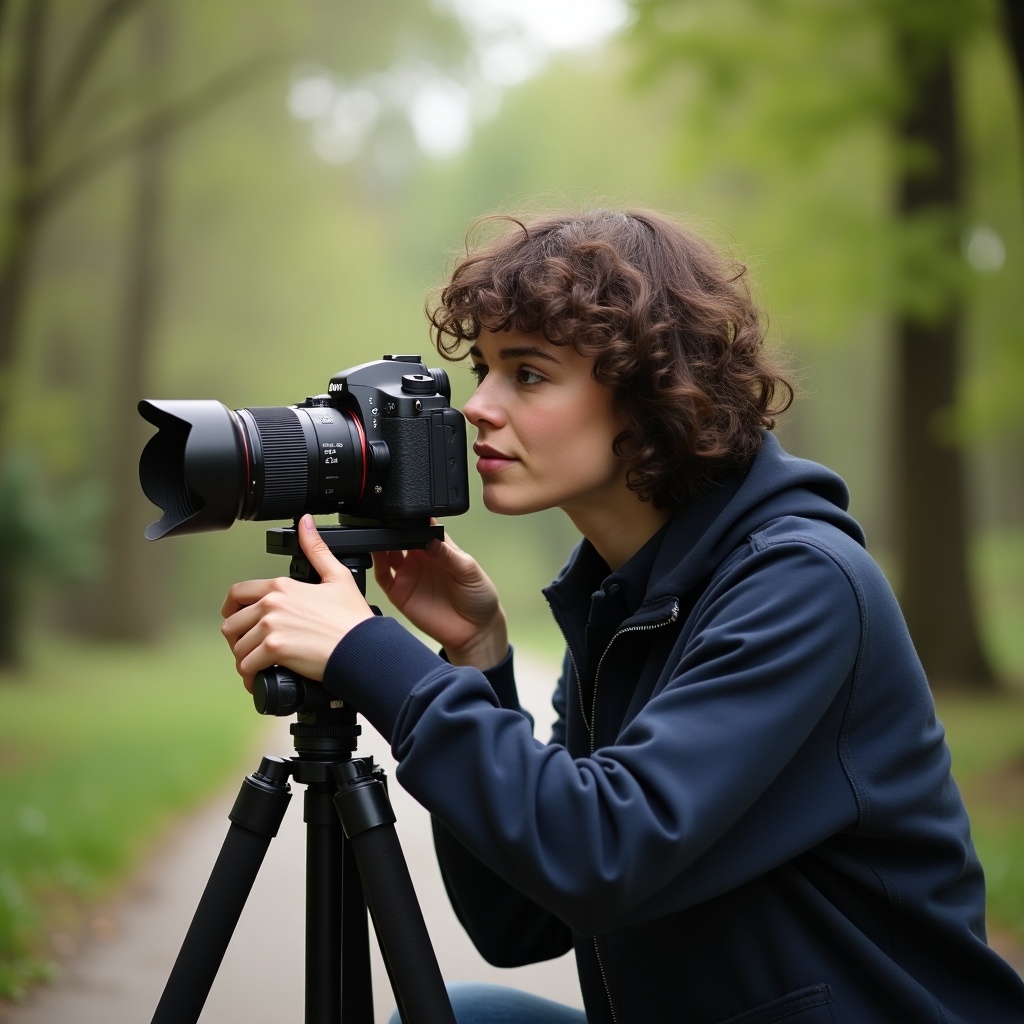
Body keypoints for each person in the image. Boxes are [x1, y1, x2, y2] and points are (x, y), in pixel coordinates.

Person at [221, 208, 1024, 1023]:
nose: (478, 408)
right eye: (487, 371)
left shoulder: (801, 585)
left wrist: (372, 655)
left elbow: (602, 852)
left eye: (527, 374)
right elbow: (519, 921)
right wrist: (476, 659)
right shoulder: (626, 598)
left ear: (647, 396)